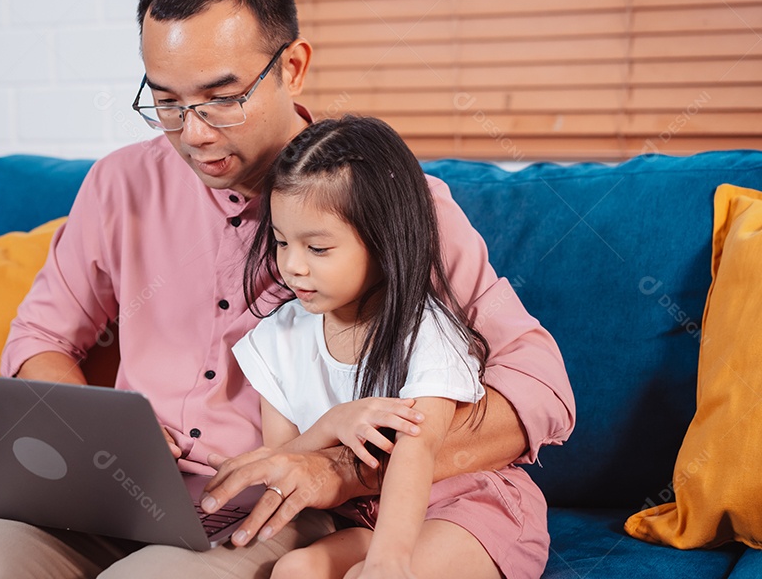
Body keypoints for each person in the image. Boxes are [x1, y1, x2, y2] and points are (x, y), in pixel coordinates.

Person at [0, 0, 574, 578]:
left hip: (276, 504)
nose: (194, 134)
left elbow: (538, 385)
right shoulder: (119, 185)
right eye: (167, 102)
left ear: (292, 67)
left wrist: (343, 468)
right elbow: (41, 338)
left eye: (223, 98)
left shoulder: (390, 201)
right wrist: (93, 450)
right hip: (123, 497)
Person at [229, 115, 549, 579]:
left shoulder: (426, 331)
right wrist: (330, 424)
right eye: (281, 242)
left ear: (382, 243)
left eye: (318, 248)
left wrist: (388, 562)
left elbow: (417, 452)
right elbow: (287, 460)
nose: (292, 266)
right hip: (370, 516)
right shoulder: (276, 339)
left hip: (466, 507)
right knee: (293, 571)